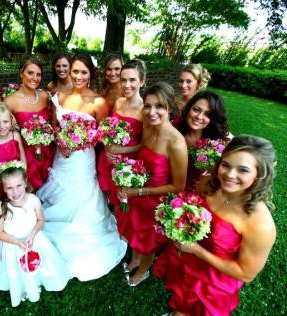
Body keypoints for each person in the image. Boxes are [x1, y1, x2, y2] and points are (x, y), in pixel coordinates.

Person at [153, 135, 277, 316]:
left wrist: (197, 251)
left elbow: (245, 273)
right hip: (186, 259)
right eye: (226, 165)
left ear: (260, 174)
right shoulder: (207, 184)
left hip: (212, 283)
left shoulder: (260, 225)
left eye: (243, 170)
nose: (229, 175)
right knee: (180, 300)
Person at [37, 53, 127, 281]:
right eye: (74, 71)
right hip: (62, 157)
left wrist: (82, 141)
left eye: (83, 72)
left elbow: (102, 134)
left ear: (91, 74)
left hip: (83, 160)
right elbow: (55, 125)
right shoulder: (59, 96)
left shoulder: (98, 102)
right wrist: (60, 140)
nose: (78, 76)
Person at [116, 82, 188, 286]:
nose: (151, 112)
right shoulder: (148, 126)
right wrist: (123, 155)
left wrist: (138, 190)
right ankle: (135, 258)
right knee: (133, 230)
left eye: (159, 106)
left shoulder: (176, 143)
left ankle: (144, 269)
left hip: (155, 201)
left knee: (148, 241)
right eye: (147, 106)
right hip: (137, 193)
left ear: (169, 108)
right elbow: (141, 148)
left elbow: (178, 186)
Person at [0, 161, 69, 307]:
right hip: (13, 246)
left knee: (39, 264)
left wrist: (33, 234)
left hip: (34, 240)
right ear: (3, 189)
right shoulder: (1, 209)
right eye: (9, 188)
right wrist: (15, 241)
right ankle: (22, 287)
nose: (15, 192)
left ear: (25, 182)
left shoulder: (33, 201)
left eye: (19, 186)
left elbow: (41, 220)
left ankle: (40, 281)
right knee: (18, 270)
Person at [97, 60, 145, 206]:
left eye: (132, 80)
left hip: (127, 164)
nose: (126, 84)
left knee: (121, 202)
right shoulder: (119, 102)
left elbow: (145, 144)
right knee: (104, 197)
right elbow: (109, 130)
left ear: (142, 82)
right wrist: (107, 146)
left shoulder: (145, 110)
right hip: (108, 158)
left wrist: (122, 150)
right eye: (123, 80)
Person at [5, 57, 54, 191]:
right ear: (21, 73)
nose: (35, 78)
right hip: (26, 156)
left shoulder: (45, 96)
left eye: (38, 74)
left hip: (47, 152)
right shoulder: (10, 101)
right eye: (30, 73)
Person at [178, 91, 232, 192]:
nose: (199, 117)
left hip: (197, 194)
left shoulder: (217, 144)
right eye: (196, 110)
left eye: (208, 114)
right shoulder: (175, 130)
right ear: (189, 108)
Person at [0, 102, 27, 216]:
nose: (2, 126)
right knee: (3, 213)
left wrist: (21, 179)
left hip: (17, 182)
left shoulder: (15, 136)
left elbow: (23, 159)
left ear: (11, 121)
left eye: (5, 122)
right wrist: (0, 185)